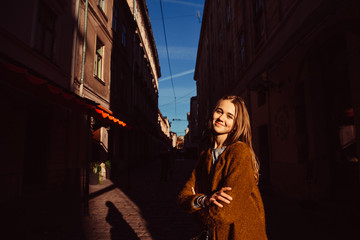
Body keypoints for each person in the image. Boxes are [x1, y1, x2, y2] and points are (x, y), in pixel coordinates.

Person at [178, 95, 267, 240]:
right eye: (219, 111)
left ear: (237, 124)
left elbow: (225, 212)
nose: (221, 118)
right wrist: (205, 200)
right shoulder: (204, 156)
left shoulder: (239, 151)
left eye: (229, 116)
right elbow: (183, 197)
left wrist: (196, 210)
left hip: (239, 234)